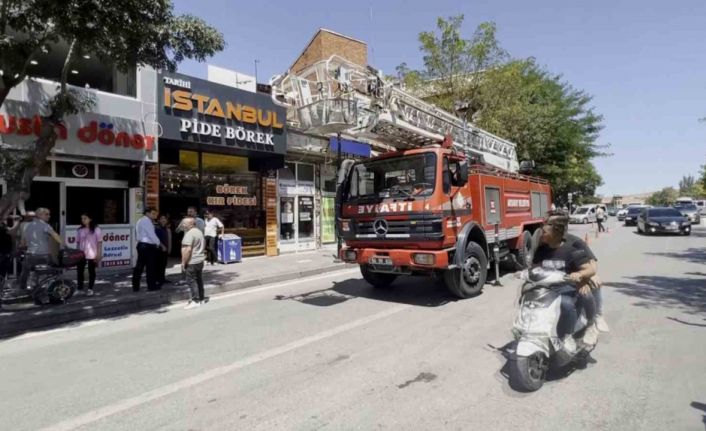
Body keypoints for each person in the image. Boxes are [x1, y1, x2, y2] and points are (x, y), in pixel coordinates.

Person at [531, 210, 600, 346]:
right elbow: (534, 268)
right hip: (546, 289)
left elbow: (591, 267)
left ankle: (570, 334)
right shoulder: (541, 249)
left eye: (545, 229)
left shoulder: (573, 247)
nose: (541, 232)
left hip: (566, 288)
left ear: (556, 230)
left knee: (567, 303)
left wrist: (581, 276)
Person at [19, 208, 63, 299]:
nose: (49, 216)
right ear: (39, 215)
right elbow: (55, 236)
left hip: (30, 255)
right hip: (43, 255)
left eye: (49, 214)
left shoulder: (26, 226)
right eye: (46, 214)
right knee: (50, 274)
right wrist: (65, 246)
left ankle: (28, 290)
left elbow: (23, 243)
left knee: (32, 273)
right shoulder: (45, 226)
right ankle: (45, 293)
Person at [132, 207, 164, 292]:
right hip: (147, 245)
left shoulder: (141, 220)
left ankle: (136, 286)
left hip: (142, 245)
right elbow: (152, 235)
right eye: (153, 213)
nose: (154, 215)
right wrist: (159, 244)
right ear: (147, 213)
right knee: (150, 267)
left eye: (155, 213)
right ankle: (151, 286)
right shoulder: (146, 221)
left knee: (140, 266)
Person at [181, 217, 206, 309]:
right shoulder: (199, 232)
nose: (183, 225)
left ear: (191, 224)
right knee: (199, 280)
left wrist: (184, 262)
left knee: (191, 281)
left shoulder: (189, 234)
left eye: (184, 223)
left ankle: (195, 300)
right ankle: (201, 298)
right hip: (199, 260)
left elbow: (188, 249)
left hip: (192, 261)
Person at [76, 213, 102, 296]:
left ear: (90, 219)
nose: (83, 220)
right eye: (82, 218)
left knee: (91, 271)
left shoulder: (97, 229)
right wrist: (77, 253)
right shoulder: (79, 230)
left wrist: (98, 254)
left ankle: (90, 289)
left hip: (92, 253)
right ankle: (80, 288)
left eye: (85, 218)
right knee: (80, 271)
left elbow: (99, 243)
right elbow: (77, 242)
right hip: (81, 253)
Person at [154, 215, 172, 285]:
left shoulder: (167, 228)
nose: (163, 220)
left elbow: (169, 239)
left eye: (165, 218)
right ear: (158, 220)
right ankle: (157, 279)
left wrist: (169, 248)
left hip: (165, 249)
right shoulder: (157, 228)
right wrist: (162, 246)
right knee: (158, 265)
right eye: (161, 218)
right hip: (159, 249)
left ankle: (162, 278)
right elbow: (156, 239)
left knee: (164, 264)